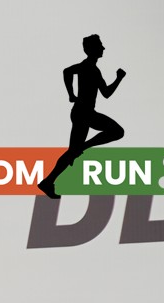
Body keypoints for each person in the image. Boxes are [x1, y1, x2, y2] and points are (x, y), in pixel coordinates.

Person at [41, 35, 127, 200]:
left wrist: (118, 79)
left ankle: (48, 181)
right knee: (117, 131)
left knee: (72, 152)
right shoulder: (87, 66)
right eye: (100, 45)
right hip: (84, 113)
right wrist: (71, 94)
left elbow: (106, 93)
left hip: (83, 112)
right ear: (92, 49)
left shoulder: (93, 69)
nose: (103, 48)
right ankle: (84, 147)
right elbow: (67, 71)